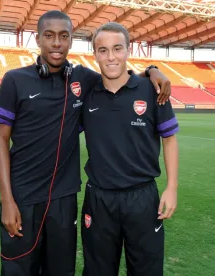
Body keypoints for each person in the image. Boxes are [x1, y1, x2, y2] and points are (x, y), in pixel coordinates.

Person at [0, 10, 171, 276]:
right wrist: (7, 200)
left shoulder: (82, 78)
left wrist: (152, 71)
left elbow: (117, 74)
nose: (56, 43)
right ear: (37, 39)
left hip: (64, 198)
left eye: (64, 36)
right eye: (49, 36)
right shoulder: (14, 80)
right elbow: (0, 139)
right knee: (19, 270)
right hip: (23, 197)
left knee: (62, 270)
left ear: (71, 41)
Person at [81, 22, 179, 276]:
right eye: (103, 50)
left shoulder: (153, 90)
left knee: (146, 270)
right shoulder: (86, 94)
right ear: (95, 54)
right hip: (99, 199)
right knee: (97, 271)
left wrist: (171, 188)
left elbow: (169, 139)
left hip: (143, 198)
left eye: (117, 48)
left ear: (128, 50)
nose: (111, 57)